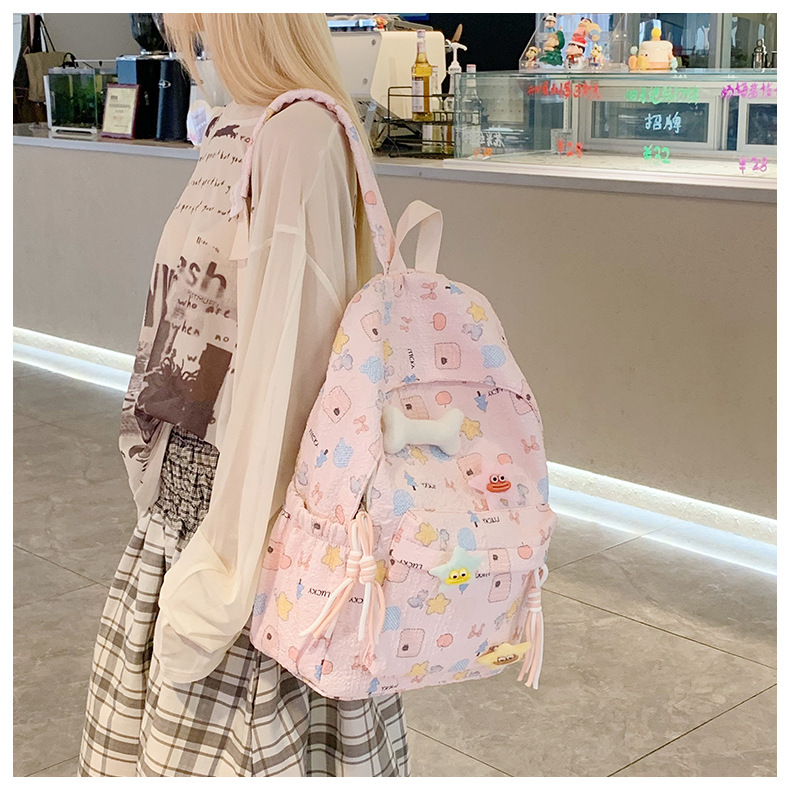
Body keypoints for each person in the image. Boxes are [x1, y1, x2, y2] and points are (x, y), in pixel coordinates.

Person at [78, 13, 409, 777]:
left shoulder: (299, 136)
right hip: (190, 499)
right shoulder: (243, 128)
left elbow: (287, 380)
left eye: (199, 32)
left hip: (247, 529)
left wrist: (224, 580)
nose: (195, 51)